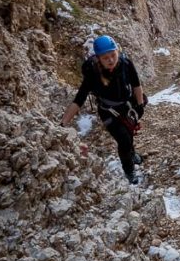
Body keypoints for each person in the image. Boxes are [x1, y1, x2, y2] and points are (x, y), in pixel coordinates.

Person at [62, 35, 147, 183]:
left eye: (113, 55)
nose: (111, 60)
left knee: (129, 132)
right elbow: (79, 99)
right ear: (99, 58)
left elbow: (136, 85)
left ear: (117, 51)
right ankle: (129, 171)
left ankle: (131, 154)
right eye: (105, 57)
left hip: (128, 105)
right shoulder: (93, 74)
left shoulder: (126, 64)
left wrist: (139, 106)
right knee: (124, 139)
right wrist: (63, 124)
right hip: (108, 110)